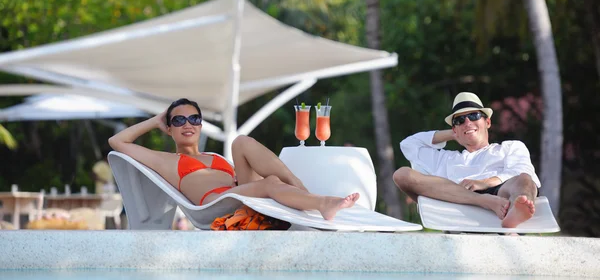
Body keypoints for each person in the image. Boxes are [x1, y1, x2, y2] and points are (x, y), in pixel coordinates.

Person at [108, 98, 359, 221]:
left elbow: (243, 179)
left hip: (238, 192)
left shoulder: (214, 156)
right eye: (178, 120)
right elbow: (118, 142)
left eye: (194, 119)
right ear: (169, 127)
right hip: (216, 203)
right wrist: (155, 120)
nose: (188, 124)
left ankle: (300, 188)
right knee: (268, 184)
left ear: (201, 125)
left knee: (240, 141)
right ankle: (322, 202)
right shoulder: (164, 161)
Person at [393, 92, 541, 228]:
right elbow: (408, 145)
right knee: (402, 174)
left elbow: (521, 170)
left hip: (500, 193)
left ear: (487, 122)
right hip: (459, 197)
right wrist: (455, 133)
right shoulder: (446, 158)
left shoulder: (509, 147)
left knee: (525, 179)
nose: (468, 122)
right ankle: (485, 202)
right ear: (454, 129)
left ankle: (517, 212)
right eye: (460, 120)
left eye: (474, 116)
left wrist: (485, 182)